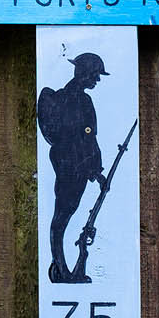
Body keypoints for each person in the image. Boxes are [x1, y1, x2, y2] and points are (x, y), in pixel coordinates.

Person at [38, 53, 107, 283]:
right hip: (73, 166)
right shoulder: (78, 101)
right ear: (85, 73)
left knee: (63, 215)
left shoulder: (62, 98)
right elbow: (87, 137)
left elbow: (86, 137)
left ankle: (61, 268)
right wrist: (96, 171)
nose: (97, 80)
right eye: (95, 75)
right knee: (62, 217)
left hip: (70, 164)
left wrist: (95, 171)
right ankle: (61, 269)